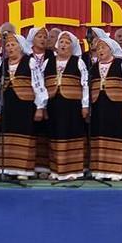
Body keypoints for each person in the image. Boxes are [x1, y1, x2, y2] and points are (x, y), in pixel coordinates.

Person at [0, 32, 48, 179]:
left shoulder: (30, 62)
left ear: (20, 47)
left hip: (25, 106)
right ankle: (8, 170)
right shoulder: (2, 65)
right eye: (8, 45)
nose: (10, 48)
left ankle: (24, 171)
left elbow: (39, 84)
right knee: (8, 136)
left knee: (25, 136)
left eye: (13, 45)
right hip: (8, 106)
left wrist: (40, 107)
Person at [88, 36, 122, 181]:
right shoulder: (93, 67)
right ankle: (100, 170)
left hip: (116, 106)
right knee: (99, 136)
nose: (100, 51)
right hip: (99, 106)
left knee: (116, 135)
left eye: (103, 48)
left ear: (111, 49)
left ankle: (117, 171)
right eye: (98, 48)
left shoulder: (120, 64)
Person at [42, 31, 89, 181]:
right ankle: (56, 171)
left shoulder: (78, 62)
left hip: (72, 105)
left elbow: (85, 85)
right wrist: (41, 106)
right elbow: (40, 86)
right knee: (54, 134)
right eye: (61, 42)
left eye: (67, 43)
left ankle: (73, 171)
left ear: (72, 46)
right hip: (53, 104)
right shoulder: (47, 62)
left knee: (72, 134)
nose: (63, 45)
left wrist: (85, 105)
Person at [26, 27, 54, 176]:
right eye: (39, 36)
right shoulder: (26, 56)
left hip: (51, 97)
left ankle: (45, 167)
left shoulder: (53, 56)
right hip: (30, 99)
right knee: (32, 131)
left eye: (45, 37)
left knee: (47, 130)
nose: (43, 39)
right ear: (32, 39)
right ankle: (32, 166)